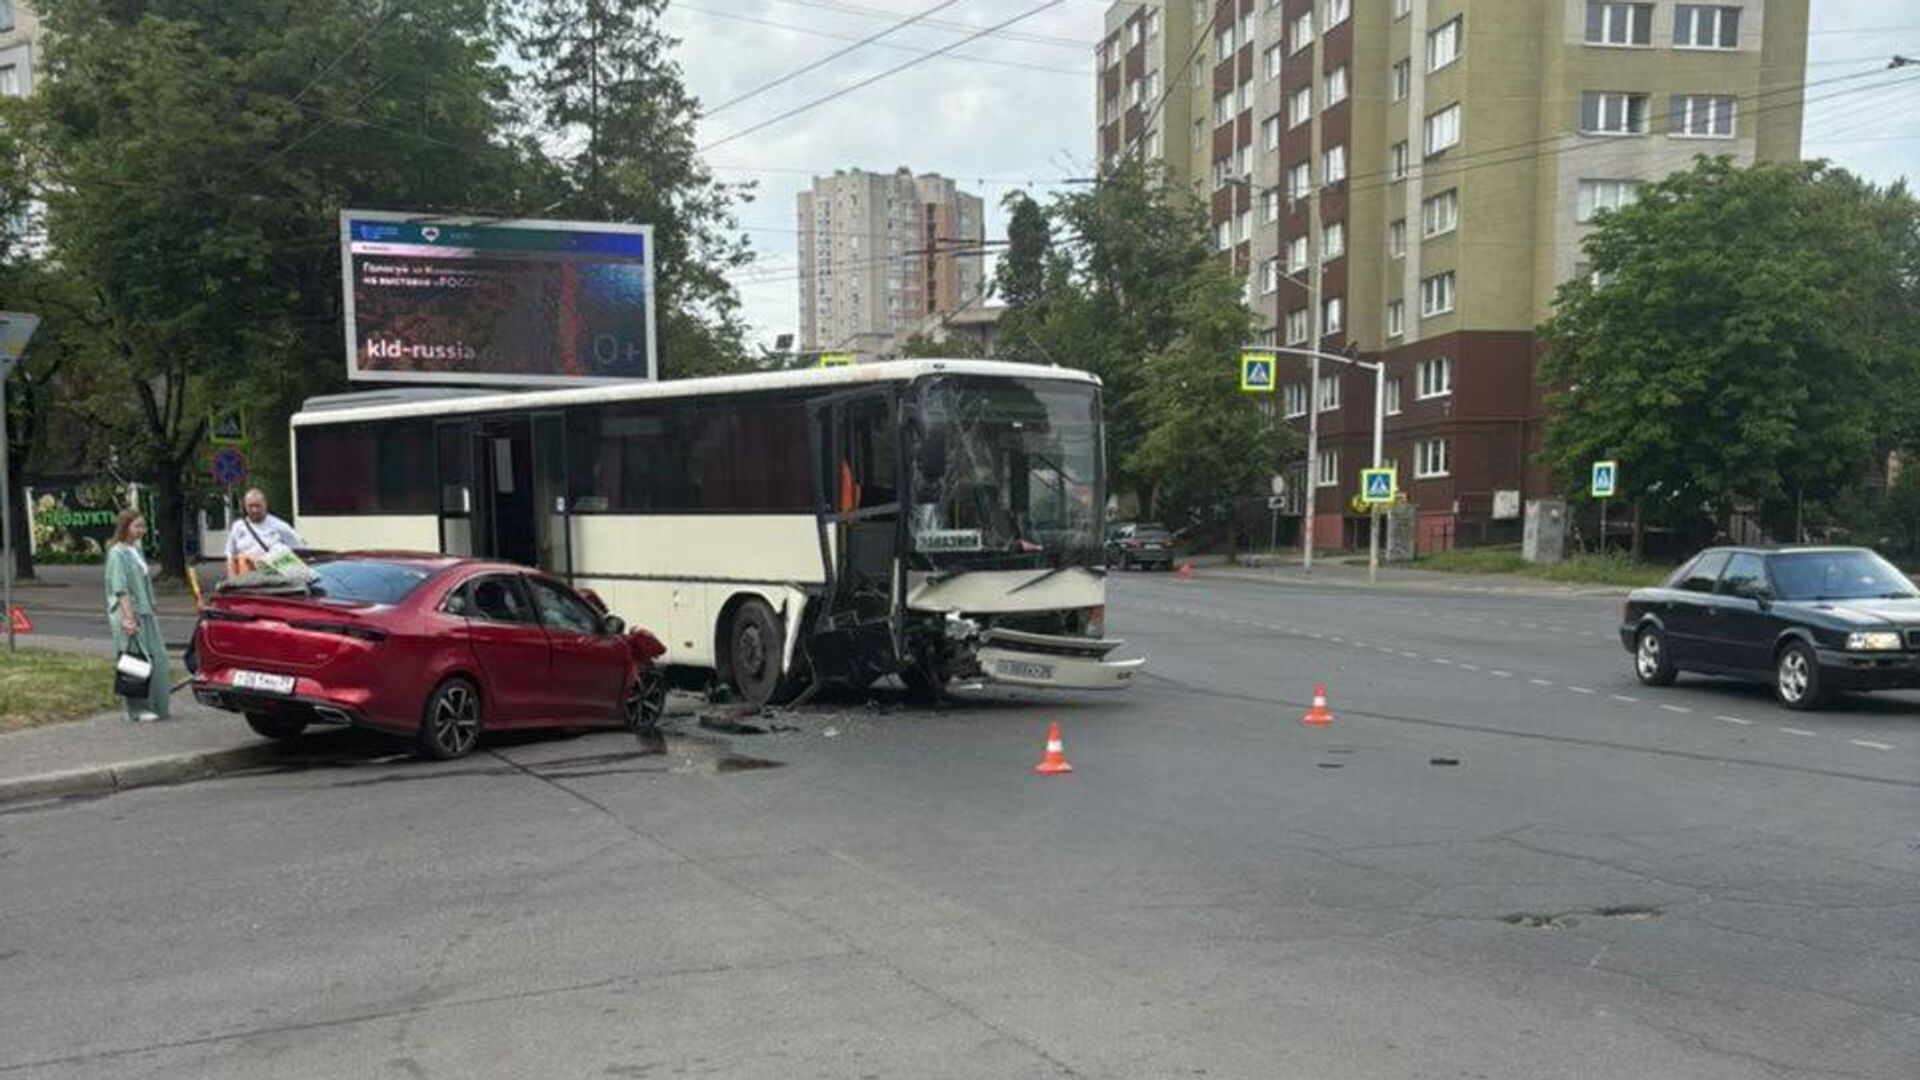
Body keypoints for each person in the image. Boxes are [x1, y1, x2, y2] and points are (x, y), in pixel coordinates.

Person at [105, 509, 171, 722]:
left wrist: (152, 604)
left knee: (158, 658)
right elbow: (120, 588)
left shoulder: (136, 549)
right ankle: (137, 709)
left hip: (145, 611)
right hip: (129, 612)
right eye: (137, 526)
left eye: (143, 526)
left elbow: (143, 581)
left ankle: (157, 705)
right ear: (125, 527)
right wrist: (128, 618)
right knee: (134, 661)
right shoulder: (117, 553)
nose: (142, 530)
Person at [225, 488, 305, 576]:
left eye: (258, 506)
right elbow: (230, 555)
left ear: (265, 505)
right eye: (250, 506)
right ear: (245, 506)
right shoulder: (237, 526)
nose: (254, 510)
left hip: (273, 581)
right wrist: (232, 580)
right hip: (246, 581)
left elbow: (299, 549)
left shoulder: (280, 526)